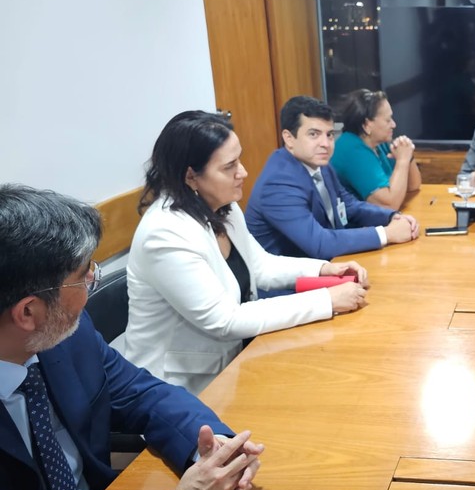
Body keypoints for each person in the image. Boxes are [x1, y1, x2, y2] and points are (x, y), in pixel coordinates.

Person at [0, 184, 263, 490]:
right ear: (28, 312)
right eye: (84, 274)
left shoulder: (66, 335)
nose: (93, 280)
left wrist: (215, 451)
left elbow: (141, 393)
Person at [125, 111, 369, 394]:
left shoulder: (219, 205)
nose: (243, 172)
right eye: (230, 166)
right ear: (191, 176)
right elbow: (225, 320)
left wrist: (323, 270)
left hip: (232, 364)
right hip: (179, 390)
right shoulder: (164, 234)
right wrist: (326, 300)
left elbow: (260, 265)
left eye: (238, 159)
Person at [246, 96, 419, 261]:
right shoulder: (278, 183)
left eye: (329, 134)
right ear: (289, 138)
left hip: (330, 266)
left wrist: (391, 217)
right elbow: (319, 243)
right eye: (314, 134)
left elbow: (349, 206)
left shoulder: (320, 164)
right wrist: (387, 234)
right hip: (292, 285)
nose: (325, 144)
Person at [330, 89, 422, 210]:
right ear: (367, 125)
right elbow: (389, 205)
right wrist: (403, 161)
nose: (394, 124)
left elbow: (413, 185)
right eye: (388, 120)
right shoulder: (352, 151)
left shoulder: (378, 142)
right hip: (356, 226)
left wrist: (407, 153)